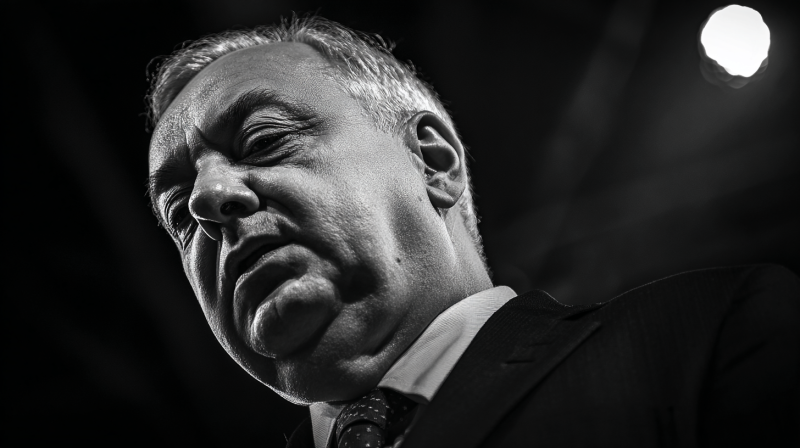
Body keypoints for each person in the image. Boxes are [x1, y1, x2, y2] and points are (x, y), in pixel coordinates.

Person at [146, 16, 799, 448]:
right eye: (178, 212)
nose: (207, 201)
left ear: (433, 162)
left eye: (264, 140)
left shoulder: (709, 338)